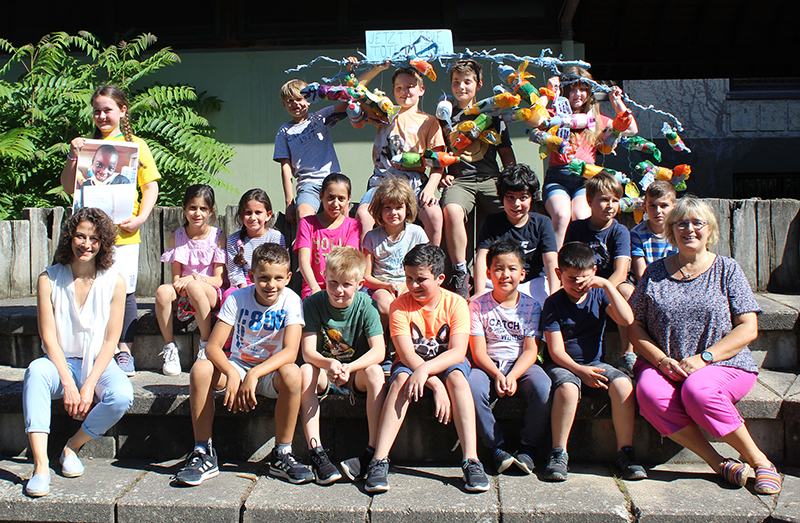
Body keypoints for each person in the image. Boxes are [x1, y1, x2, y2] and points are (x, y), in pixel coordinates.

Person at [628, 196, 781, 494]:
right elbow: (635, 325)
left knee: (698, 390)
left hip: (723, 364)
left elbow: (748, 327)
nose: (689, 229)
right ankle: (717, 462)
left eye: (697, 222)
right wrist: (660, 360)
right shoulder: (654, 272)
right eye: (681, 223)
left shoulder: (727, 269)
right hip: (665, 364)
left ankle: (760, 461)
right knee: (648, 393)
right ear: (672, 230)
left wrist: (705, 358)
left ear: (710, 229)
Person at [174, 243, 313, 486]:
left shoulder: (291, 300)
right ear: (251, 276)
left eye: (278, 278)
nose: (271, 285)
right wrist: (232, 372)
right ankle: (202, 451)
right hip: (237, 366)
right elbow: (213, 346)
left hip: (270, 371)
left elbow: (291, 352)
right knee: (201, 368)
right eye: (264, 278)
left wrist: (255, 374)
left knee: (293, 373)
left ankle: (282, 453)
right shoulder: (238, 298)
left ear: (288, 278)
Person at [23, 208, 132, 498]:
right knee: (35, 372)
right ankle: (41, 466)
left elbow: (111, 341)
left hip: (98, 363)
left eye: (94, 238)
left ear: (103, 243)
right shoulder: (49, 279)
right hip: (59, 363)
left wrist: (89, 385)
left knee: (122, 395)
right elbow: (48, 337)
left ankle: (72, 446)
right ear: (70, 238)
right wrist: (70, 384)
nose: (86, 244)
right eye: (80, 236)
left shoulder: (115, 281)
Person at [364, 244, 489, 494]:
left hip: (446, 363)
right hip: (412, 364)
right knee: (400, 382)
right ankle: (379, 459)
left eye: (421, 279)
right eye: (408, 278)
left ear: (440, 278)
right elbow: (406, 353)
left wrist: (429, 373)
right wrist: (433, 382)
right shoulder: (399, 305)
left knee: (457, 378)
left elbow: (456, 351)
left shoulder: (456, 304)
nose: (413, 285)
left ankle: (471, 459)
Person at [61, 85, 161, 376]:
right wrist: (72, 155)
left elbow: (150, 186)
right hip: (90, 235)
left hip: (124, 233)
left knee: (125, 292)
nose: (102, 116)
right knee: (91, 288)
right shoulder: (85, 146)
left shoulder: (137, 146)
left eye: (108, 110)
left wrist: (141, 217)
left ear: (122, 111)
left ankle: (124, 351)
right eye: (97, 111)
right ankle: (91, 348)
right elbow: (70, 187)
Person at [540, 242, 646, 482]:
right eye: (571, 278)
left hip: (595, 362)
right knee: (567, 388)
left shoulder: (599, 294)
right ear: (559, 274)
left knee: (623, 385)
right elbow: (556, 351)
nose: (578, 284)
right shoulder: (553, 303)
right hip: (563, 365)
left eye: (584, 278)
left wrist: (608, 285)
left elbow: (627, 319)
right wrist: (581, 371)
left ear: (594, 272)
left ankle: (625, 452)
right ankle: (558, 452)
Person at [299, 246, 386, 484]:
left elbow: (379, 351)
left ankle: (374, 453)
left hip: (355, 373)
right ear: (324, 277)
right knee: (306, 371)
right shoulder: (313, 304)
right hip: (325, 372)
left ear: (359, 284)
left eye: (346, 284)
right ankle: (316, 451)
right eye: (333, 282)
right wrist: (330, 364)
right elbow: (308, 352)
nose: (339, 290)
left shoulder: (366, 305)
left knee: (376, 372)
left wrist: (350, 367)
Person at [468, 239, 551, 474]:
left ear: (522, 274)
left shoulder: (532, 307)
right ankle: (496, 447)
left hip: (520, 365)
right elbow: (477, 351)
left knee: (543, 386)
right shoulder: (477, 306)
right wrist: (496, 374)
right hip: (487, 365)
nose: (505, 275)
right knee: (472, 388)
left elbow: (531, 350)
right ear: (488, 273)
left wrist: (513, 375)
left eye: (512, 269)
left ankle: (528, 449)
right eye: (498, 269)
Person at [439, 59, 516, 298]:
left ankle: (511, 266)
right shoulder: (446, 115)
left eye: (467, 82)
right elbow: (439, 150)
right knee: (451, 209)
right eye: (456, 82)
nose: (461, 87)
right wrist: (442, 174)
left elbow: (506, 153)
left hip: (490, 178)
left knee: (513, 210)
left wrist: (511, 180)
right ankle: (461, 272)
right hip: (460, 180)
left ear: (478, 84)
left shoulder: (492, 113)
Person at [538, 67, 637, 248]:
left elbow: (631, 129)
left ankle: (579, 264)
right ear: (565, 90)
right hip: (558, 178)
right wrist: (549, 92)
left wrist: (617, 103)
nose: (577, 94)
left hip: (587, 180)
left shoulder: (596, 119)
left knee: (582, 217)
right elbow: (536, 119)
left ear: (589, 92)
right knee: (561, 215)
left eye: (583, 89)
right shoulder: (556, 115)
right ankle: (553, 266)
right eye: (572, 89)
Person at [354, 64, 445, 246]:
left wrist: (430, 188)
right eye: (399, 88)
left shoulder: (429, 121)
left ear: (421, 90)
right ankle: (365, 268)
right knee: (363, 215)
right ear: (393, 91)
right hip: (383, 179)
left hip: (415, 182)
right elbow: (356, 90)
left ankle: (432, 266)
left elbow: (438, 161)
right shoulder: (385, 113)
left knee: (434, 215)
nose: (405, 91)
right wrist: (378, 69)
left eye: (410, 86)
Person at [155, 184, 227, 375]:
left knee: (195, 287)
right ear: (184, 209)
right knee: (163, 290)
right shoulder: (176, 237)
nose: (197, 213)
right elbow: (176, 278)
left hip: (209, 291)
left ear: (211, 211)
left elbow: (219, 280)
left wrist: (194, 279)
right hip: (185, 289)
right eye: (193, 208)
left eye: (203, 208)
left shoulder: (217, 237)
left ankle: (205, 344)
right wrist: (184, 283)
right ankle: (170, 347)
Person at [564, 171, 632, 369]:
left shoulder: (619, 231)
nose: (610, 205)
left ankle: (627, 352)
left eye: (615, 200)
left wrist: (601, 287)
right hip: (581, 281)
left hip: (611, 284)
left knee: (628, 292)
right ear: (589, 201)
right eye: (604, 200)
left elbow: (621, 272)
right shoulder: (577, 228)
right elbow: (568, 261)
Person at [617, 180, 679, 372]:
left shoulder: (679, 232)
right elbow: (640, 272)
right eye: (652, 205)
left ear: (674, 207)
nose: (658, 211)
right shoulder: (637, 233)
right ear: (644, 206)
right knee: (624, 291)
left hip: (675, 283)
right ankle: (628, 352)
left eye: (664, 206)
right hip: (645, 283)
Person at [474, 164, 558, 304]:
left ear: (532, 198)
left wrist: (554, 295)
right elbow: (482, 258)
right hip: (499, 280)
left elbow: (550, 260)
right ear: (502, 198)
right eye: (510, 197)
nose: (516, 204)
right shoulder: (492, 221)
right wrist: (478, 291)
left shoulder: (542, 222)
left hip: (533, 282)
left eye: (523, 197)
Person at [274, 79, 348, 224]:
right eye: (290, 100)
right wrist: (289, 201)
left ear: (309, 100)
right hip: (308, 183)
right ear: (284, 104)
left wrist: (348, 75)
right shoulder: (284, 131)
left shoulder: (320, 118)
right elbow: (286, 166)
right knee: (304, 216)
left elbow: (348, 103)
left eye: (299, 98)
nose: (295, 103)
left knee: (342, 217)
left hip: (332, 179)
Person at [362, 177, 429, 320]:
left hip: (410, 284)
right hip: (380, 286)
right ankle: (384, 340)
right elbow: (366, 277)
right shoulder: (371, 237)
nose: (393, 212)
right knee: (386, 305)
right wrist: (387, 286)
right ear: (379, 210)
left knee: (411, 305)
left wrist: (404, 286)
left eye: (398, 207)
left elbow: (425, 269)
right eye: (388, 208)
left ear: (407, 208)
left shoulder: (417, 234)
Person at [294, 173, 361, 298]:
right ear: (321, 196)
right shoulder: (307, 224)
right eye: (330, 197)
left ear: (348, 199)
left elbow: (349, 261)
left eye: (341, 198)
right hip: (314, 287)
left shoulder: (353, 226)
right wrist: (315, 289)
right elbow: (304, 261)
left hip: (341, 289)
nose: (335, 204)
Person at [225, 188, 286, 296]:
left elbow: (279, 266)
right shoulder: (233, 240)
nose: (253, 217)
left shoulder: (275, 237)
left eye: (258, 212)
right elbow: (234, 271)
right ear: (241, 215)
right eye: (248, 213)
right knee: (228, 295)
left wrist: (261, 284)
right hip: (243, 284)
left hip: (269, 283)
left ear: (268, 215)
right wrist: (244, 286)